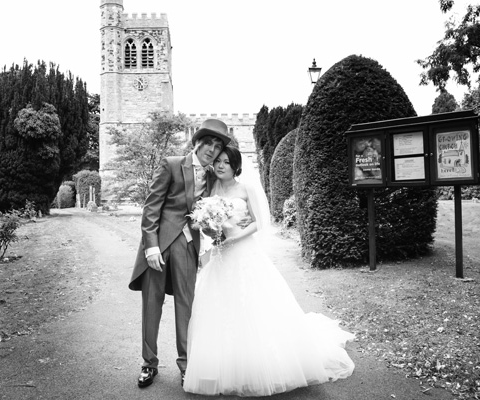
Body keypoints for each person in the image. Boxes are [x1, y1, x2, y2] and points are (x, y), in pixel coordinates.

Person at [183, 146, 356, 396]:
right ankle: (224, 365)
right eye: (218, 161)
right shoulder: (211, 188)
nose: (221, 165)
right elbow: (205, 222)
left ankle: (260, 366)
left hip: (243, 251)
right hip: (220, 256)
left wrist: (233, 238)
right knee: (219, 308)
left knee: (253, 306)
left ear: (235, 166)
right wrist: (211, 230)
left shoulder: (246, 189)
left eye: (226, 162)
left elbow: (258, 222)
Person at [128, 119, 231, 388]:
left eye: (217, 145)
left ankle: (187, 365)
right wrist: (150, 246)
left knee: (186, 306)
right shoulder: (171, 164)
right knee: (152, 305)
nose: (212, 149)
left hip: (187, 246)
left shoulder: (212, 177)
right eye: (208, 142)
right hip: (159, 246)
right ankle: (149, 364)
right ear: (197, 143)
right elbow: (152, 208)